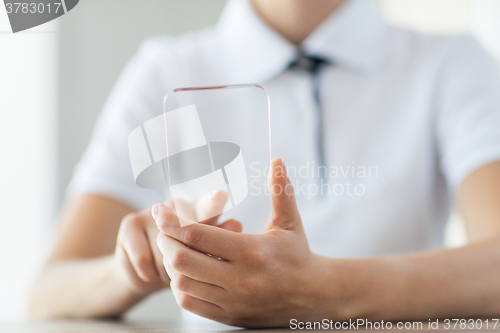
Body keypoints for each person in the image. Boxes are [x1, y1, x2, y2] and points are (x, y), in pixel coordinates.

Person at [28, 0, 500, 328]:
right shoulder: (168, 71)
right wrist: (132, 267)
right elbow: (46, 293)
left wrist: (323, 292)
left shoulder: (450, 63)